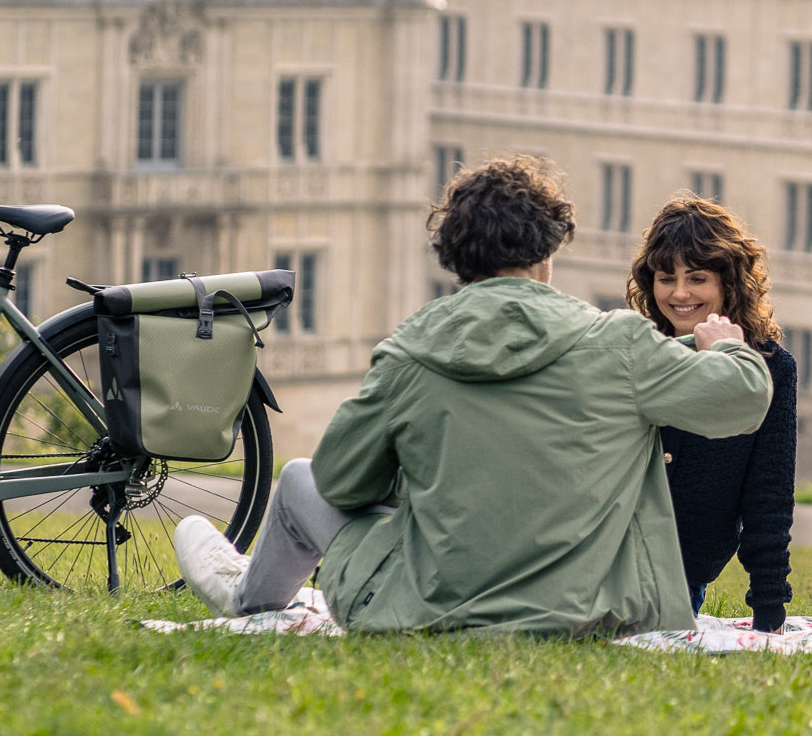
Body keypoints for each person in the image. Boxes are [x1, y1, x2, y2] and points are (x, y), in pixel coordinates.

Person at [173, 155, 774, 634]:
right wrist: (726, 347)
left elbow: (341, 482)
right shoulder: (618, 341)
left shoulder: (409, 351)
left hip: (427, 609)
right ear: (547, 253)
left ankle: (249, 598)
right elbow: (745, 398)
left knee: (299, 479)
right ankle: (247, 591)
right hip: (593, 612)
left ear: (456, 260)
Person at [628, 195, 798, 632]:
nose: (680, 293)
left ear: (729, 282)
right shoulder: (633, 352)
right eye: (666, 278)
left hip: (685, 577)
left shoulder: (771, 368)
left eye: (697, 278)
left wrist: (770, 610)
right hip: (611, 567)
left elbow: (769, 497)